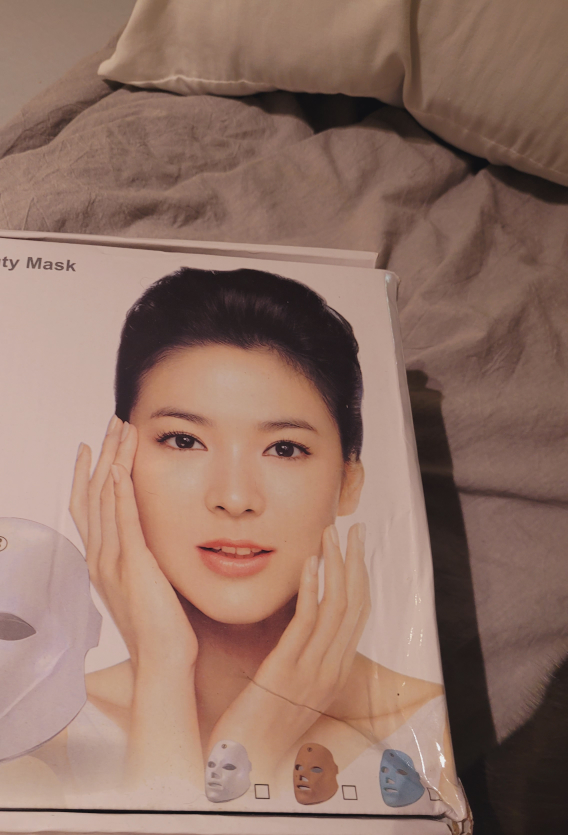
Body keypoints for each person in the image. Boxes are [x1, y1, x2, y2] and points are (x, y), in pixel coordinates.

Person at [64, 267, 444, 799]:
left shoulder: (421, 737)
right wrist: (164, 671)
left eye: (284, 448)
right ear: (117, 464)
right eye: (183, 440)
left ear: (348, 482)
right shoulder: (40, 735)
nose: (236, 497)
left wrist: (257, 732)